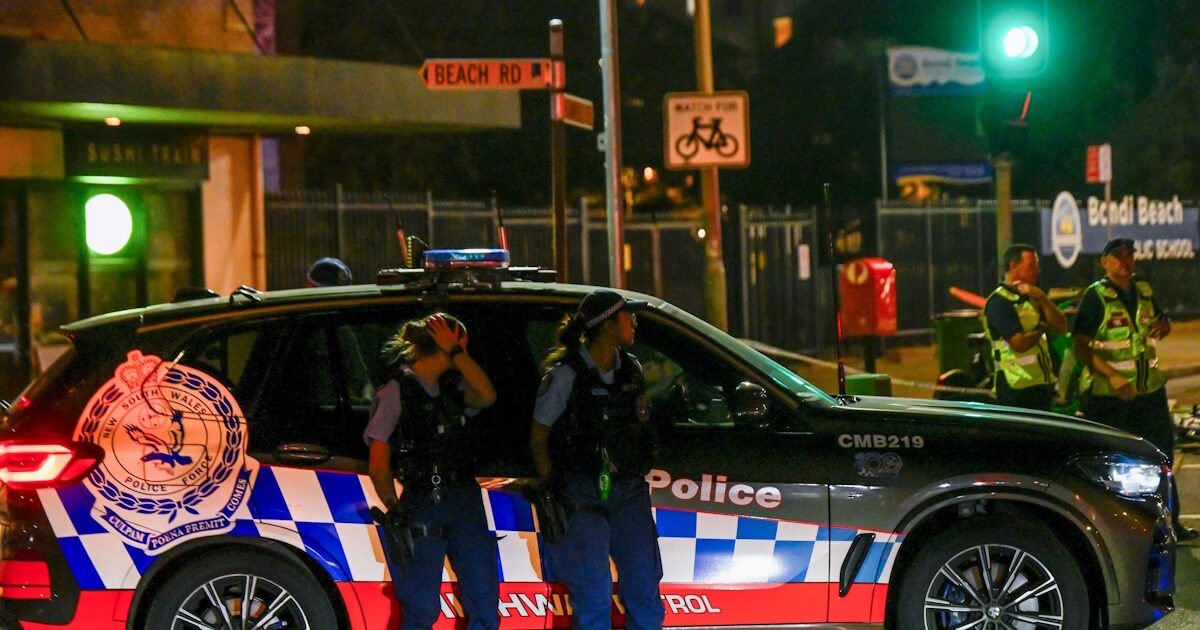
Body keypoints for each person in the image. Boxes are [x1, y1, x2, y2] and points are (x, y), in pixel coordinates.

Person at [530, 289, 663, 630]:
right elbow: (539, 437)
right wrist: (552, 489)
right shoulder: (565, 374)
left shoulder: (631, 369)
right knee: (593, 598)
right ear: (607, 325)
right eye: (627, 317)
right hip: (582, 491)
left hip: (628, 489)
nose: (633, 323)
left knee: (644, 591)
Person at [364, 313, 500, 630]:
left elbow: (487, 395)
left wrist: (456, 352)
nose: (464, 356)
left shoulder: (453, 387)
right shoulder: (396, 391)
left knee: (484, 602)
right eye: (460, 347)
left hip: (463, 496)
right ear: (444, 345)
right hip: (422, 499)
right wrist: (395, 511)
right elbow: (378, 464)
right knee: (421, 609)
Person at [1072, 237, 1199, 541]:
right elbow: (1080, 344)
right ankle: (1116, 530)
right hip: (1110, 398)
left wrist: (1164, 325)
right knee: (1114, 466)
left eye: (1129, 255)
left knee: (1162, 459)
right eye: (1118, 256)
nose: (1125, 261)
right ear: (1104, 262)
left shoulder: (1143, 290)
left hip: (1148, 393)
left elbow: (1159, 320)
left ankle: (1170, 525)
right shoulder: (1095, 296)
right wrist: (1113, 376)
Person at [982, 244, 1067, 410]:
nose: (1037, 270)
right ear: (1014, 266)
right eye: (1031, 266)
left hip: (1040, 385)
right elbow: (1019, 343)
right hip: (1016, 389)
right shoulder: (999, 302)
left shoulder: (1033, 297)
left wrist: (1042, 298)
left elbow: (1061, 327)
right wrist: (1042, 329)